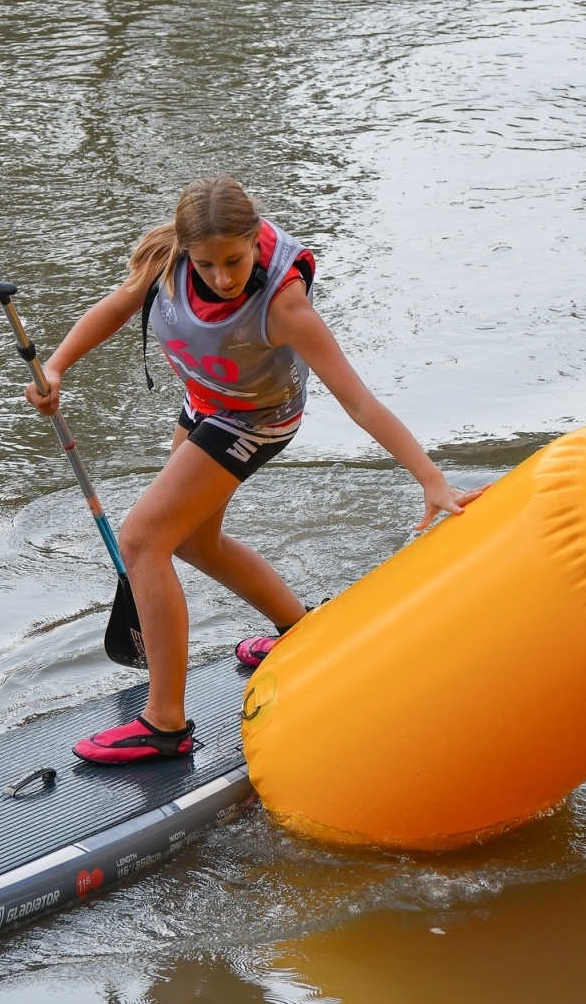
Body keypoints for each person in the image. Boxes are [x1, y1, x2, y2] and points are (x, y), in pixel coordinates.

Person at [26, 176, 484, 764]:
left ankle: (164, 724)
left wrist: (431, 479)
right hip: (204, 404)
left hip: (254, 421)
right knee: (192, 542)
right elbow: (116, 307)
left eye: (234, 262)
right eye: (207, 265)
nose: (221, 278)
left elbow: (358, 401)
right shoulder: (167, 260)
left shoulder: (284, 306)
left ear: (253, 241)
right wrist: (57, 366)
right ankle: (302, 632)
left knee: (142, 541)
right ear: (187, 250)